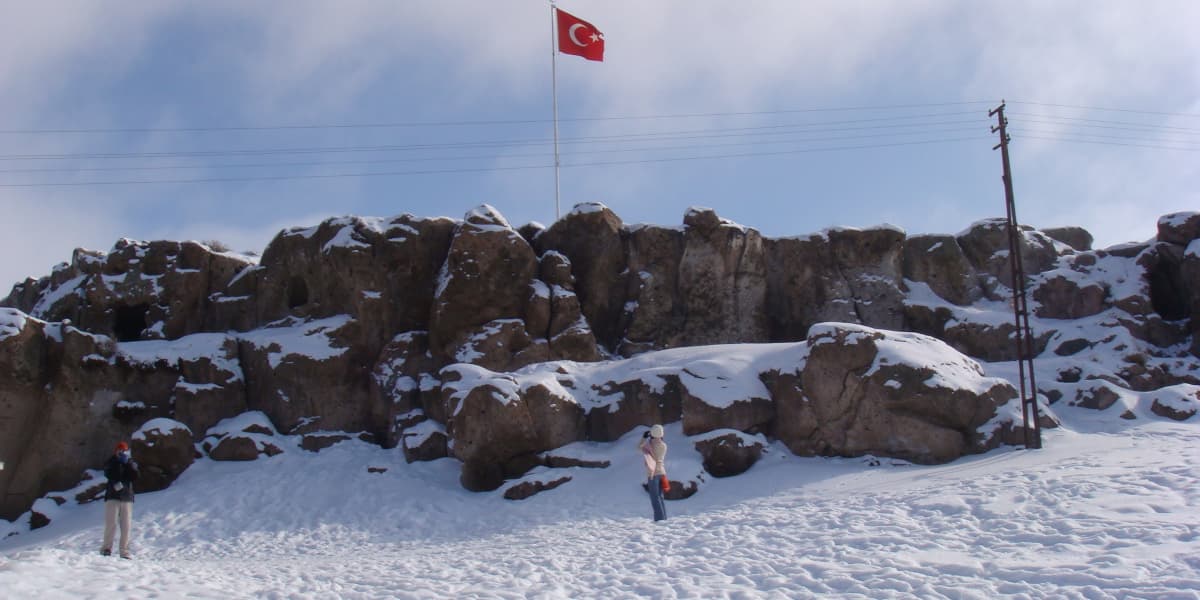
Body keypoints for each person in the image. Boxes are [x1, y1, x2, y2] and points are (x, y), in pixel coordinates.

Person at [100, 441, 139, 559]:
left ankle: (124, 551)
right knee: (111, 523)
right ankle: (106, 548)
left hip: (127, 497)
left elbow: (135, 475)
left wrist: (127, 463)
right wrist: (118, 462)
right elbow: (109, 474)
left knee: (126, 525)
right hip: (113, 496)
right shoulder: (111, 461)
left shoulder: (130, 462)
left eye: (124, 450)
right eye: (120, 450)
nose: (121, 452)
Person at [638, 424, 668, 521]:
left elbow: (639, 447)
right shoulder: (663, 445)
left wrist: (644, 438)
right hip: (662, 472)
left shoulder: (649, 445)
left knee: (655, 498)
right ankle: (663, 518)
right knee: (660, 497)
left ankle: (659, 520)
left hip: (653, 473)